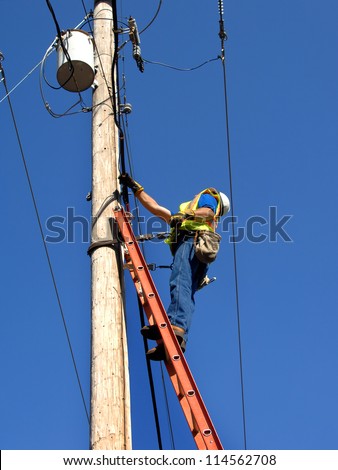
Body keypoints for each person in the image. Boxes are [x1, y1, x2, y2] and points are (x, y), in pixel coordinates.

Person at [119, 173, 230, 361]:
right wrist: (137, 189)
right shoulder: (185, 219)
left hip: (191, 243)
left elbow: (208, 213)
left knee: (179, 284)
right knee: (184, 290)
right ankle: (171, 338)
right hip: (197, 250)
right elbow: (157, 209)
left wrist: (187, 214)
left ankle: (176, 327)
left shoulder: (208, 197)